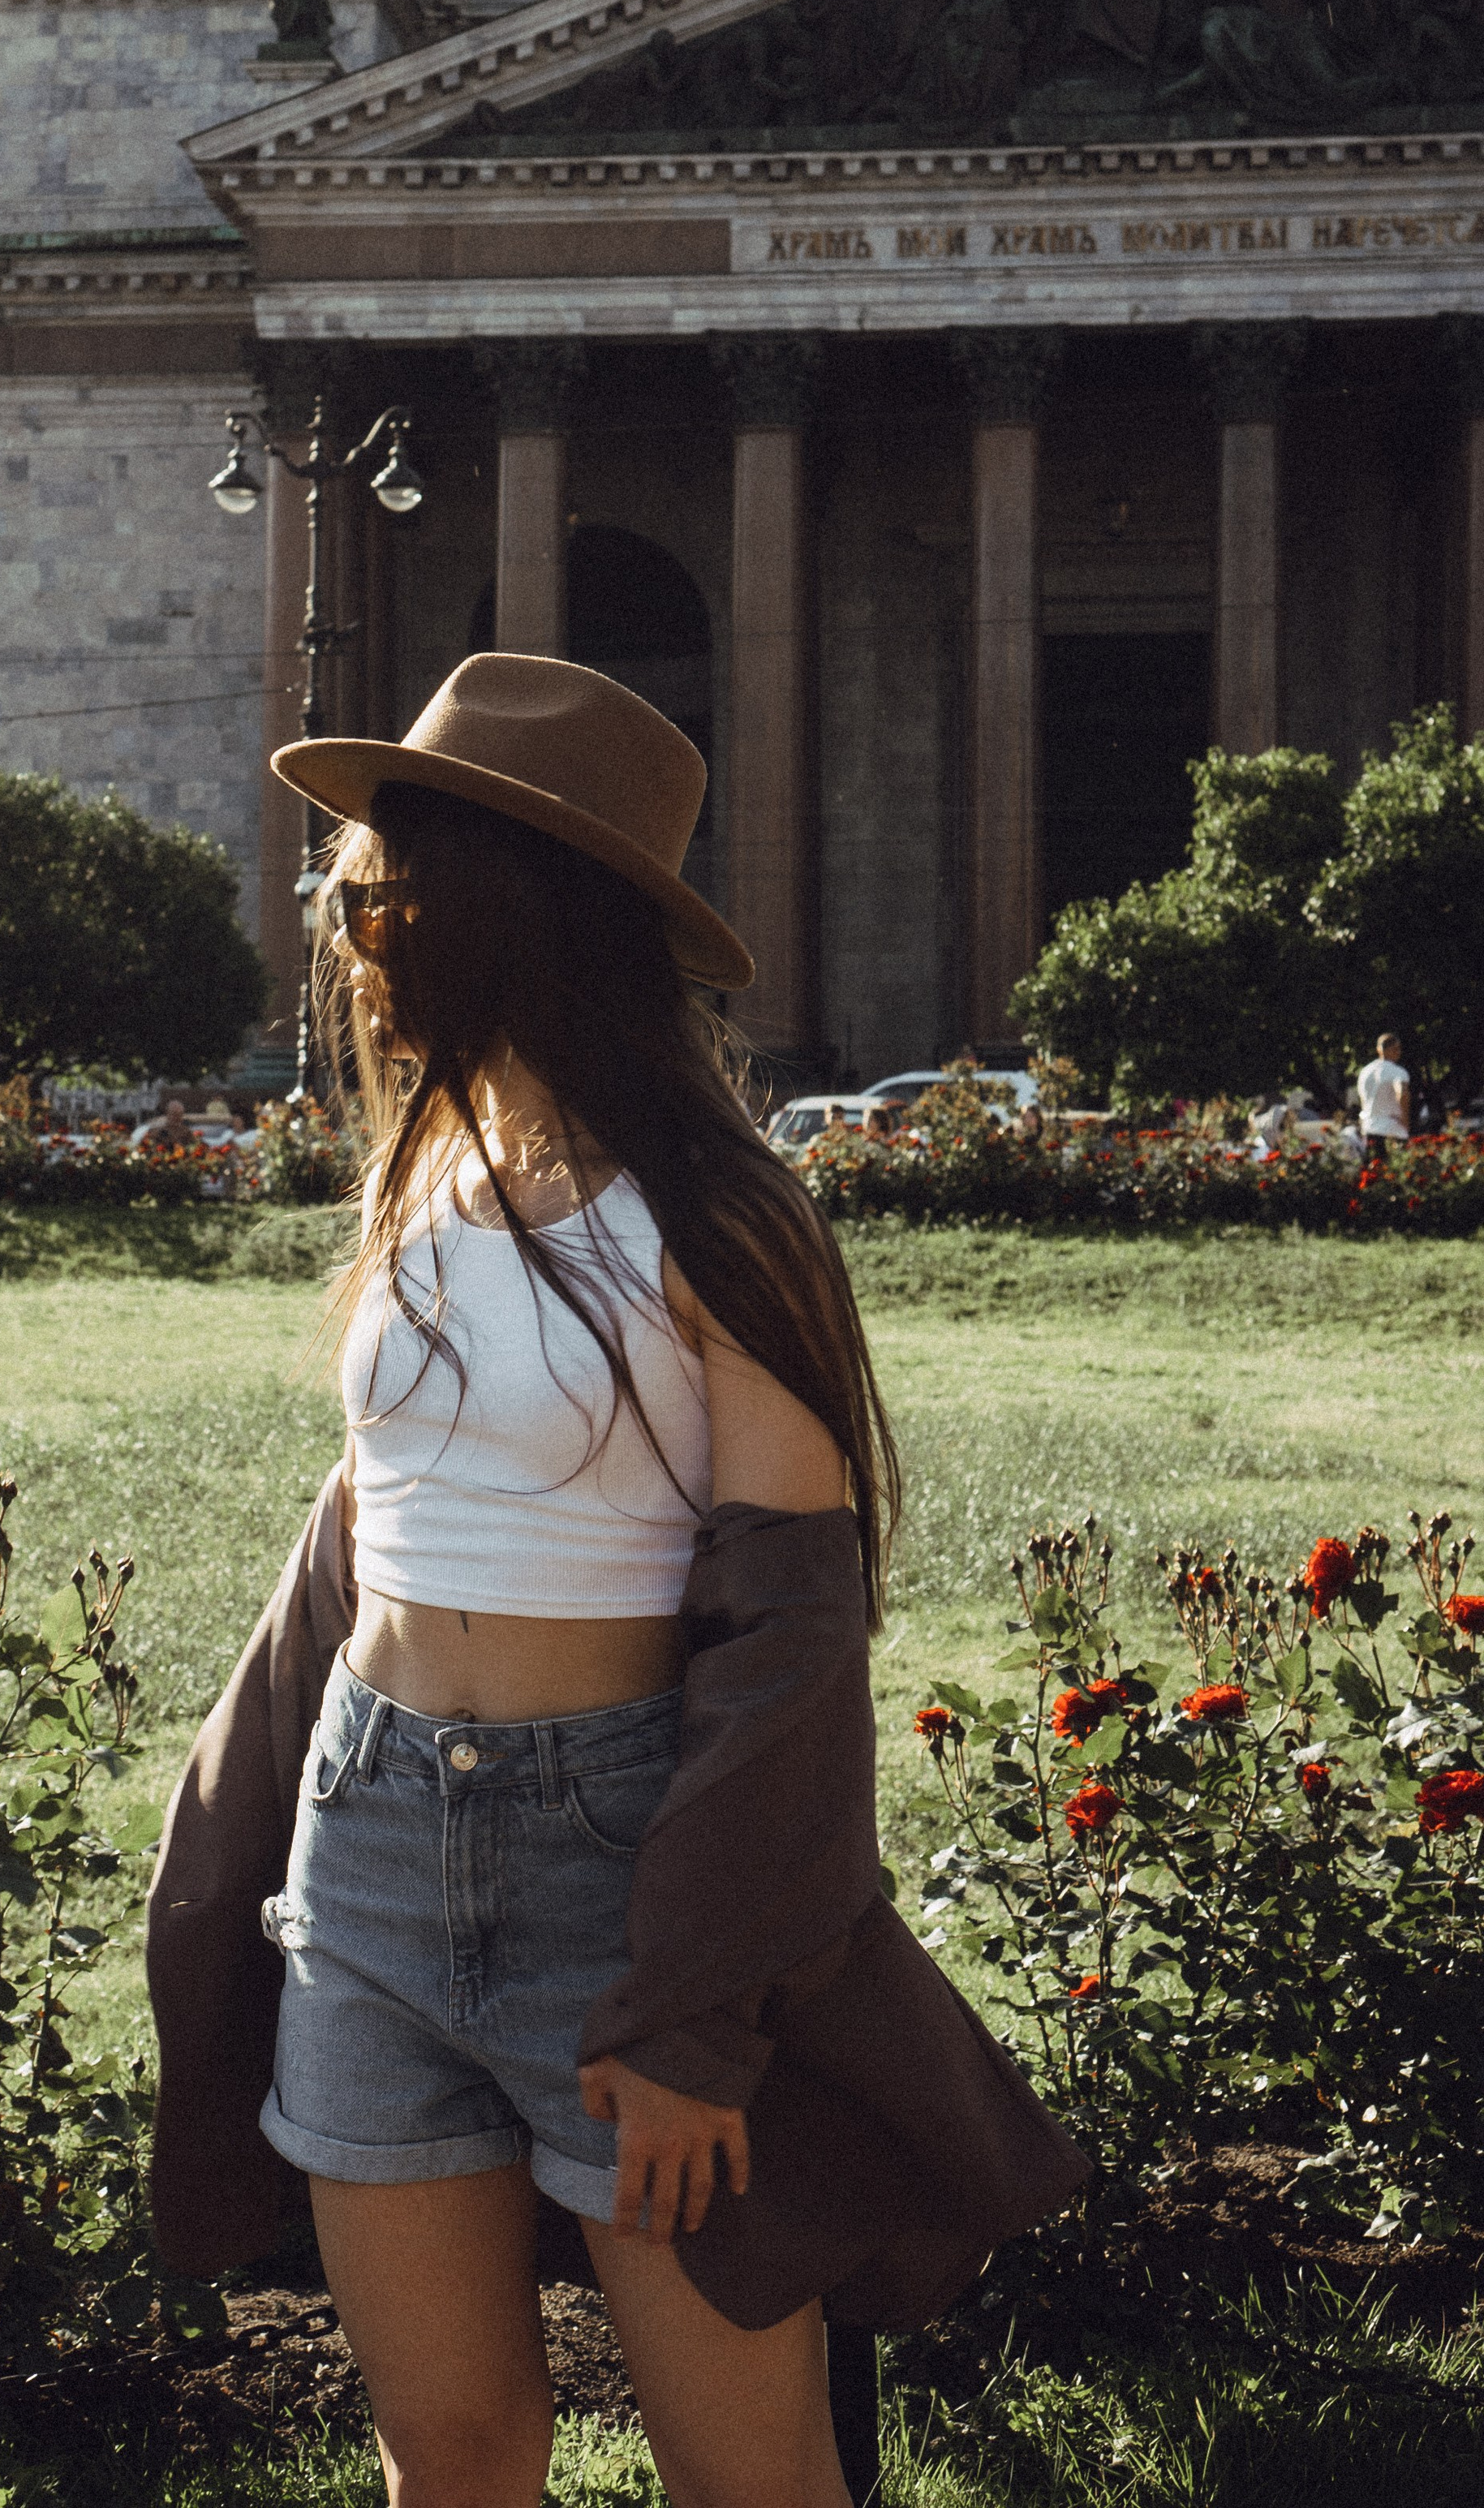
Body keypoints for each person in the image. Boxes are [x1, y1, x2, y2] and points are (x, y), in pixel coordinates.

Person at [145, 655, 1083, 2508]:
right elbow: (365, 1524)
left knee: (747, 2474)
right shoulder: (424, 1176)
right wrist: (220, 1846)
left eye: (386, 895)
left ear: (523, 910)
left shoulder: (722, 1219)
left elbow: (791, 1639)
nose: (351, 930)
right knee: (452, 2455)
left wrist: (693, 2012)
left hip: (627, 1878)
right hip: (368, 1854)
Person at [1357, 1033, 1411, 1145]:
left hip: (1369, 1127)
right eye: (1397, 1049)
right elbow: (1402, 1093)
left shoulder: (1365, 1072)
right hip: (1392, 1128)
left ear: (1379, 1049)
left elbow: (1362, 1099)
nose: (1399, 1052)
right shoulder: (1398, 1072)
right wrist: (1405, 1120)